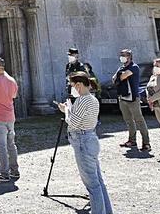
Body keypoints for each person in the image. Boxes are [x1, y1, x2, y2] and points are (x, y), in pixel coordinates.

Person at [57, 72, 113, 214]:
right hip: (90, 138)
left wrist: (66, 111)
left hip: (83, 141)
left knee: (92, 185)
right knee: (98, 182)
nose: (71, 88)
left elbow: (74, 123)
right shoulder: (92, 99)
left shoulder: (83, 100)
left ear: (79, 85)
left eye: (72, 85)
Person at [112, 48, 150, 151]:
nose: (121, 57)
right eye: (121, 55)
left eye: (123, 55)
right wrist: (119, 75)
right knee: (128, 120)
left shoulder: (134, 67)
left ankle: (146, 143)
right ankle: (132, 141)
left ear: (129, 57)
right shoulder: (121, 67)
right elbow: (113, 79)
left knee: (139, 120)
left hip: (133, 98)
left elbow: (122, 77)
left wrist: (119, 75)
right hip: (122, 97)